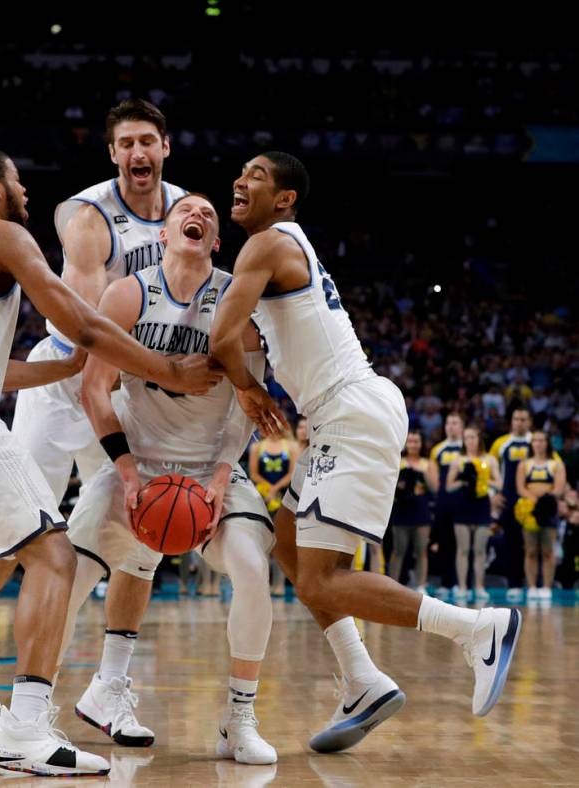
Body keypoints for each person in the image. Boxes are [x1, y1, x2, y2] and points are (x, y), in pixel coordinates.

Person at [0, 147, 217, 777]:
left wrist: (60, 370)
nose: (24, 189)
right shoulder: (2, 234)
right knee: (52, 556)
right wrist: (167, 369)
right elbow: (81, 323)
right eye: (18, 179)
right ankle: (24, 727)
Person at [209, 151, 521, 752]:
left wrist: (247, 391)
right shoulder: (279, 252)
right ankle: (363, 680)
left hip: (350, 411)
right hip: (337, 416)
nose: (240, 182)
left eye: (256, 176)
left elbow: (223, 337)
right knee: (292, 549)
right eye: (240, 173)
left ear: (285, 198)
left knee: (324, 580)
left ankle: (478, 629)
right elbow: (238, 336)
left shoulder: (267, 243)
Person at [0, 99, 188, 735]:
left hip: (132, 385)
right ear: (113, 154)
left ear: (165, 148)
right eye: (126, 143)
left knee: (143, 540)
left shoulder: (190, 212)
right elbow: (87, 325)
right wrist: (165, 363)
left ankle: (111, 685)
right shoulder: (86, 215)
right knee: (23, 519)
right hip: (67, 377)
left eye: (147, 142)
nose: (137, 153)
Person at [57, 193, 278, 764]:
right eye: (188, 211)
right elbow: (93, 388)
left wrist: (224, 476)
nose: (197, 215)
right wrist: (127, 474)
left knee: (253, 571)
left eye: (207, 214)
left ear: (217, 240)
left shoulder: (236, 297)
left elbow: (245, 406)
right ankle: (31, 708)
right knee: (67, 573)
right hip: (139, 458)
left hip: (211, 465)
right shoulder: (129, 292)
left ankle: (239, 718)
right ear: (162, 234)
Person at [446, 426, 502, 600]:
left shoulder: (490, 460)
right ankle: (462, 586)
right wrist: (463, 480)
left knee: (479, 550)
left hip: (482, 506)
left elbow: (499, 484)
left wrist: (483, 479)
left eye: (473, 437)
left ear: (479, 439)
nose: (469, 441)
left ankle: (479, 586)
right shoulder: (458, 460)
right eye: (467, 437)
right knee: (463, 549)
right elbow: (448, 486)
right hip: (463, 505)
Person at [515, 430, 566, 599]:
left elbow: (558, 488)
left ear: (547, 443)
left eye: (541, 440)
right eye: (535, 440)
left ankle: (546, 587)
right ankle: (531, 587)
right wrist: (535, 500)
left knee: (547, 551)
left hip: (549, 512)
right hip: (530, 511)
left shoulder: (556, 464)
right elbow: (521, 487)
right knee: (530, 550)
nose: (538, 443)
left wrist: (544, 501)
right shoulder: (524, 464)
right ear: (532, 444)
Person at [248, 429, 300, 596]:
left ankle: (279, 584)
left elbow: (293, 473)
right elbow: (254, 473)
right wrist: (268, 489)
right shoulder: (257, 447)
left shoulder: (291, 446)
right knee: (262, 542)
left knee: (281, 541)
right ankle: (262, 582)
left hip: (283, 497)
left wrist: (276, 488)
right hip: (262, 496)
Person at [388, 430, 438, 591]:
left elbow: (435, 488)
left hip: (421, 511)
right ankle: (392, 586)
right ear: (405, 443)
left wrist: (424, 475)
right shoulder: (398, 462)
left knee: (421, 550)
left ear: (421, 444)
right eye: (410, 441)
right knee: (398, 550)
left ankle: (421, 585)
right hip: (400, 510)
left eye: (416, 441)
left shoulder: (428, 463)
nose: (413, 445)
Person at [489, 408, 532, 590]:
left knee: (531, 543)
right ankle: (513, 584)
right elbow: (487, 469)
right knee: (511, 543)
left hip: (531, 499)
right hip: (507, 499)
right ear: (511, 421)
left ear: (529, 422)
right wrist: (493, 494)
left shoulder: (536, 441)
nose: (519, 422)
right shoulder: (501, 444)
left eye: (523, 419)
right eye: (516, 418)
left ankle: (533, 584)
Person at [430, 412, 466, 592]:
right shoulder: (438, 450)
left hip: (464, 501)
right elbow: (435, 479)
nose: (451, 426)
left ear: (462, 427)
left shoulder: (467, 449)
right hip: (444, 502)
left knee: (463, 543)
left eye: (455, 423)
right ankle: (446, 582)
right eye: (449, 423)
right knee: (445, 542)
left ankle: (463, 583)